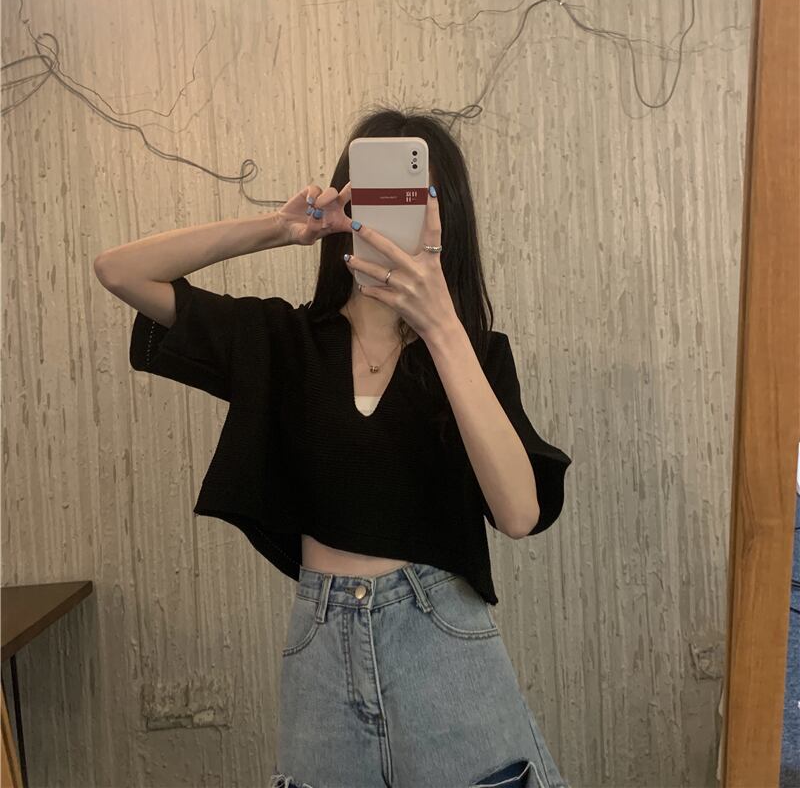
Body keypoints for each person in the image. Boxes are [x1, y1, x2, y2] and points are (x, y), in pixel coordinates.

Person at [94, 108, 572, 788]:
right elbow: (118, 270)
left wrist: (440, 323)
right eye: (375, 195)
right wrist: (279, 228)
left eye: (415, 199)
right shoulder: (283, 341)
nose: (391, 217)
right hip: (322, 653)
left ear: (448, 220)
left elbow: (519, 513)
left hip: (444, 642)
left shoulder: (475, 355)